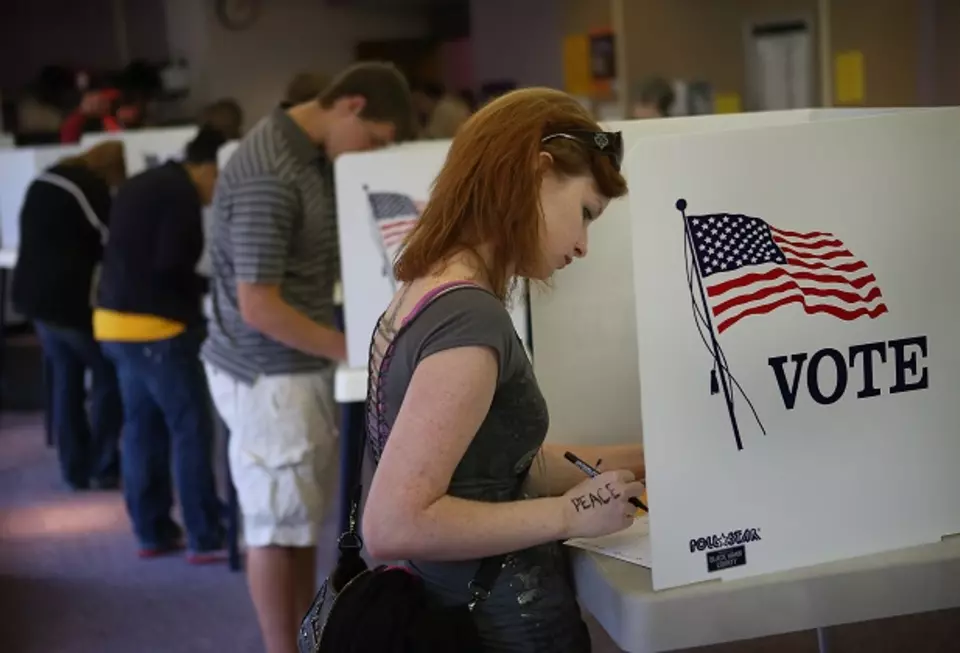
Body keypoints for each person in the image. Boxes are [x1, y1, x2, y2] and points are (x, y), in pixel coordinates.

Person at [361, 87, 646, 652]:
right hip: (502, 626)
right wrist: (568, 516)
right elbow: (392, 525)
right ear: (535, 175)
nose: (584, 245)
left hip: (466, 609)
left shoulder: (428, 289)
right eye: (584, 214)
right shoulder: (470, 320)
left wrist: (649, 457)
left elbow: (493, 470)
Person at [201, 61, 416, 653]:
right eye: (373, 139)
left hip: (291, 368)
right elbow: (258, 305)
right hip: (268, 374)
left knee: (295, 525)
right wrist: (355, 351)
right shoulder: (272, 170)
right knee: (274, 529)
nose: (369, 153)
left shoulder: (309, 160)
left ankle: (297, 640)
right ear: (349, 105)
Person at [94, 127, 228, 562]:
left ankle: (151, 531)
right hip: (158, 329)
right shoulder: (180, 194)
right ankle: (204, 534)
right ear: (206, 169)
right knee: (189, 429)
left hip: (113, 323)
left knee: (141, 429)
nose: (218, 192)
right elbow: (171, 263)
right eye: (219, 180)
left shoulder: (143, 181)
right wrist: (210, 287)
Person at [11, 141, 126, 490]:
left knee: (66, 380)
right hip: (67, 301)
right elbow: (113, 240)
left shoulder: (44, 180)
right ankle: (103, 462)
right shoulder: (90, 190)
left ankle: (73, 468)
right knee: (108, 373)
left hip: (34, 298)